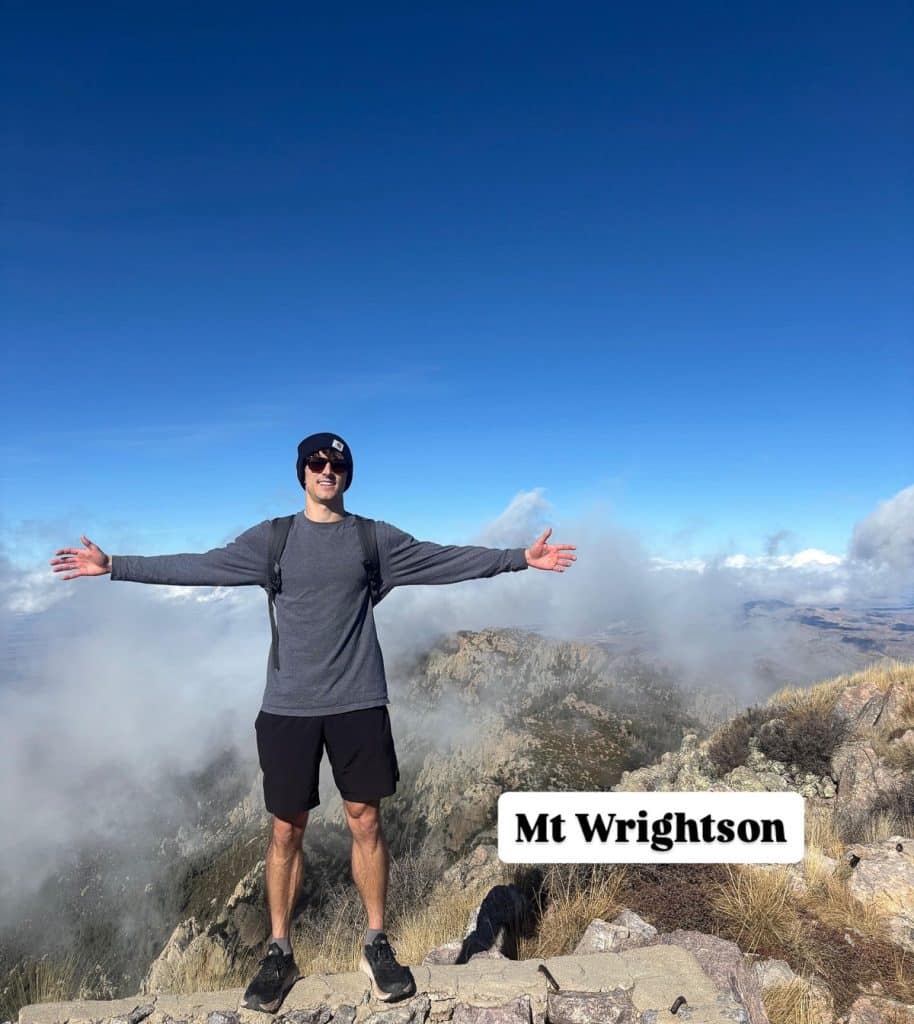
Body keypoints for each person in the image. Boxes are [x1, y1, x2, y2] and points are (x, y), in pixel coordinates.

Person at [50, 432, 576, 1013]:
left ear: (348, 475)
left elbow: (444, 558)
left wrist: (518, 560)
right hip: (287, 708)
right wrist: (116, 566)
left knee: (367, 822)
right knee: (285, 831)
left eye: (338, 465)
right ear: (302, 472)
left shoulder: (373, 539)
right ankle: (279, 951)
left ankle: (376, 942)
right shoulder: (272, 540)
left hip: (358, 701)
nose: (328, 471)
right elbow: (202, 565)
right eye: (317, 463)